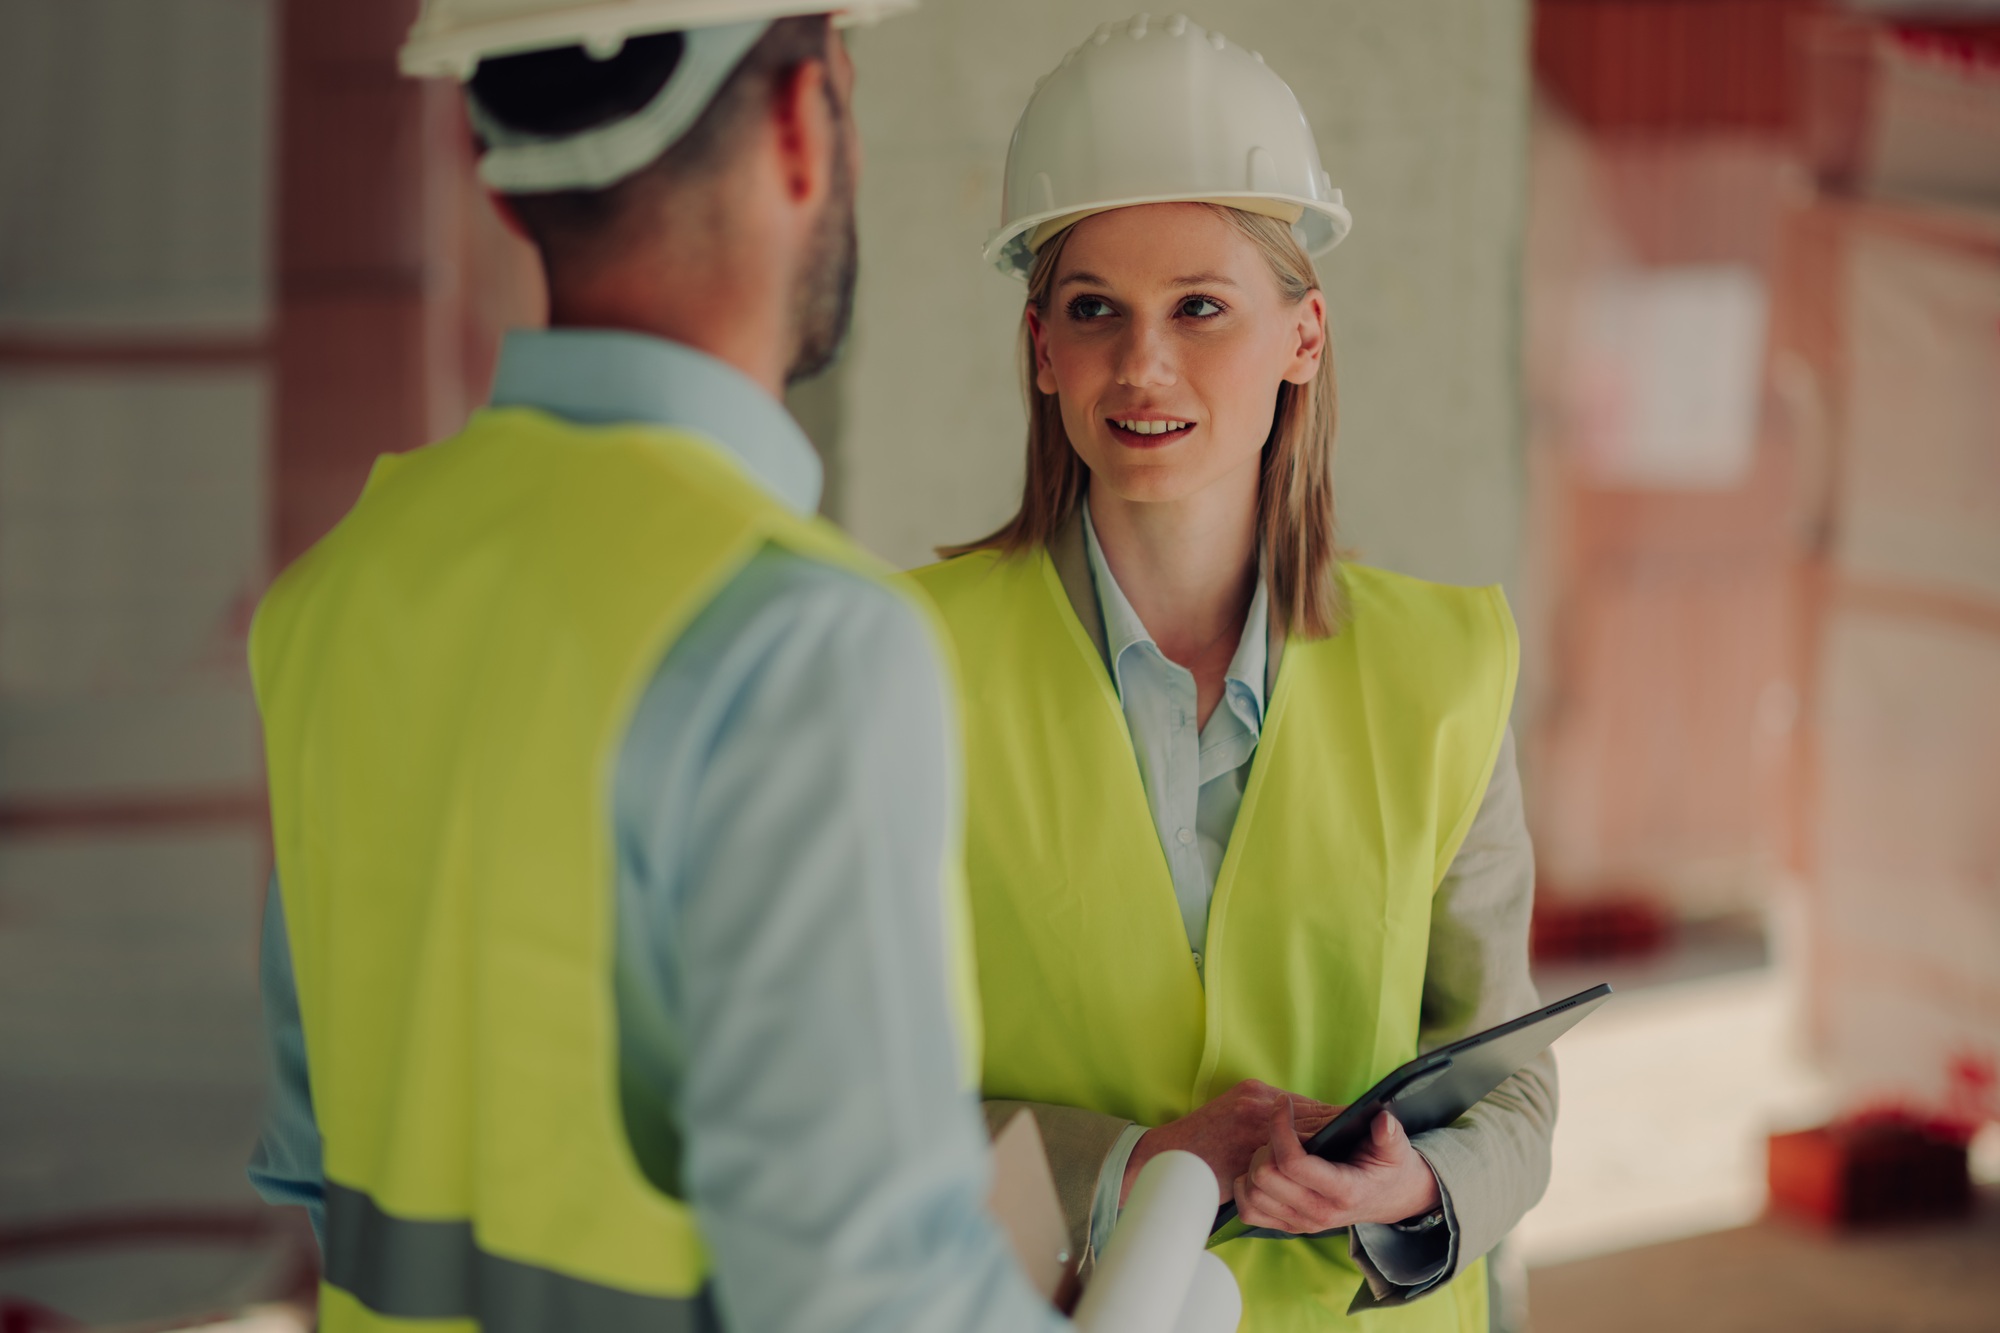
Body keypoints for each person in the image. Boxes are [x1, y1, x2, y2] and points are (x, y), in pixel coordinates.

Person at [244, 4, 1069, 1330]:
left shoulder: (338, 595)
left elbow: (315, 1160)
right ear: (807, 121)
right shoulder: (797, 644)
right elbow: (869, 1302)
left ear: (499, 164)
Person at [909, 16, 1555, 1332]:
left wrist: (1416, 1189)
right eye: (1095, 310)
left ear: (1302, 336)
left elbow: (1515, 1088)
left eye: (1200, 306)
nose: (1142, 364)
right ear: (1042, 351)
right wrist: (1130, 1170)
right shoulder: (903, 661)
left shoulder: (1444, 671)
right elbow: (840, 1083)